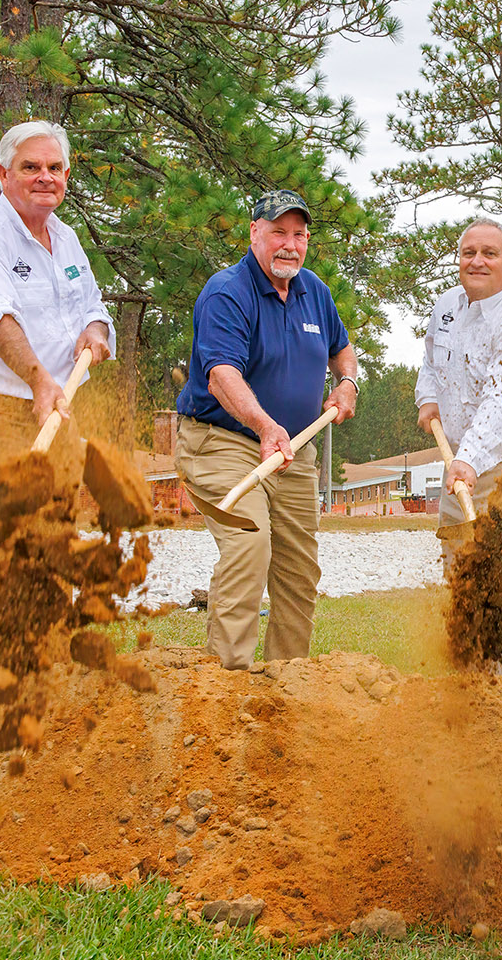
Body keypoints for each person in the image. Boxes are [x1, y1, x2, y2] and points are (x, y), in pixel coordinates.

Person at [175, 189, 359, 671]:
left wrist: (347, 383)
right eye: (278, 231)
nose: (289, 245)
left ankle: (287, 683)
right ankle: (226, 682)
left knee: (299, 570)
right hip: (224, 442)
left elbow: (342, 348)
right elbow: (221, 376)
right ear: (254, 231)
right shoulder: (227, 291)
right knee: (249, 544)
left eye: (299, 235)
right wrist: (263, 424)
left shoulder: (313, 291)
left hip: (293, 451)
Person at [0, 121, 114, 484]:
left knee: (55, 527)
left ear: (66, 175)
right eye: (30, 167)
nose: (44, 177)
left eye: (54, 168)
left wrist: (95, 330)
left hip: (53, 405)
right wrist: (40, 382)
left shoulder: (66, 239)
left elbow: (92, 305)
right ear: (4, 174)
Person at [416, 217, 502, 676]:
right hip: (461, 473)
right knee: (463, 583)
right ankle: (466, 693)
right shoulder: (447, 306)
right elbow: (431, 360)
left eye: (489, 253)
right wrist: (427, 397)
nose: (477, 261)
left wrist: (467, 460)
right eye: (468, 252)